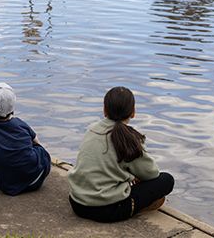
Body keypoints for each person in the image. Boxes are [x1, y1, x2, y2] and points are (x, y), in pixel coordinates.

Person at [68, 86, 174, 223]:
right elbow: (152, 174)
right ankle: (134, 207)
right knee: (166, 180)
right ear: (133, 112)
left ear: (105, 110)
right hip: (108, 210)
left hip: (77, 203)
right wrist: (134, 175)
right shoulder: (129, 138)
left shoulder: (92, 130)